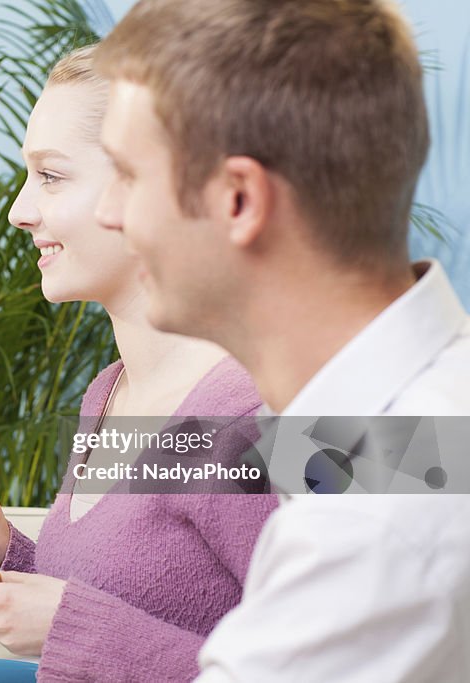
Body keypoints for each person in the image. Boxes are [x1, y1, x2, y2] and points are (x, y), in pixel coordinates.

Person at [93, 0, 470, 680]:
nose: (107, 213)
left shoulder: (376, 521)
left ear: (238, 199)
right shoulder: (415, 432)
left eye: (127, 174)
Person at [0, 46, 277, 681]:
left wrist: (67, 627)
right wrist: (7, 555)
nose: (19, 211)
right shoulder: (110, 393)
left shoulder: (247, 414)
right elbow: (126, 600)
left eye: (51, 176)